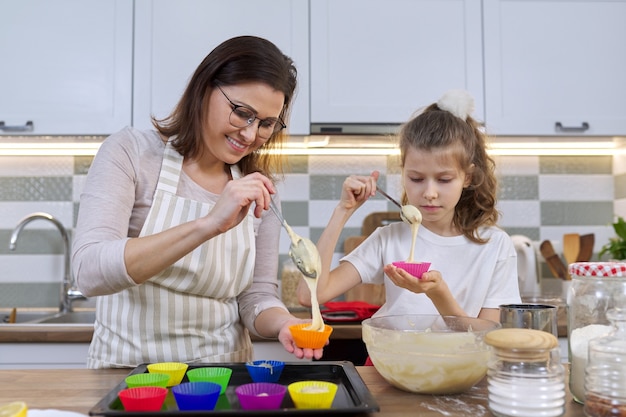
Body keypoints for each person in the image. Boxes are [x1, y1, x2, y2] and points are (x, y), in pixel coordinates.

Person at [72, 35, 324, 368]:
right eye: (242, 113)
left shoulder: (258, 188)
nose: (250, 135)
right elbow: (89, 271)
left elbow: (256, 298)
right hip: (129, 378)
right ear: (204, 88)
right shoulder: (132, 153)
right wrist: (207, 225)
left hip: (222, 377)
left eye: (265, 124)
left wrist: (283, 322)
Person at [298, 90, 521, 323]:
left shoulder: (494, 245)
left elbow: (488, 335)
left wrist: (438, 293)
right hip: (393, 359)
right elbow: (309, 295)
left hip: (465, 361)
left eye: (444, 180)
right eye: (416, 179)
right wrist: (342, 212)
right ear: (403, 173)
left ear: (467, 177)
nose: (429, 193)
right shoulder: (389, 239)